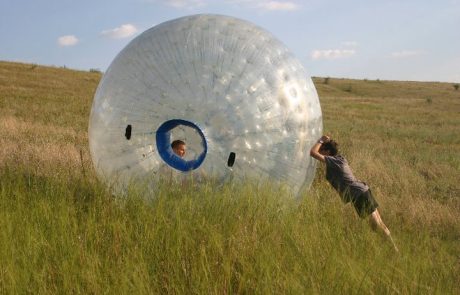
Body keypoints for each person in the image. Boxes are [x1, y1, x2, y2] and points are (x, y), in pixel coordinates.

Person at [310, 135, 398, 252]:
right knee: (376, 224)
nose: (320, 152)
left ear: (327, 151)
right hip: (361, 192)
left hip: (359, 194)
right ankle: (391, 248)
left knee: (376, 224)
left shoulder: (334, 161)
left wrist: (320, 140)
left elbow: (313, 152)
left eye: (322, 150)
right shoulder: (338, 160)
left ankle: (394, 250)